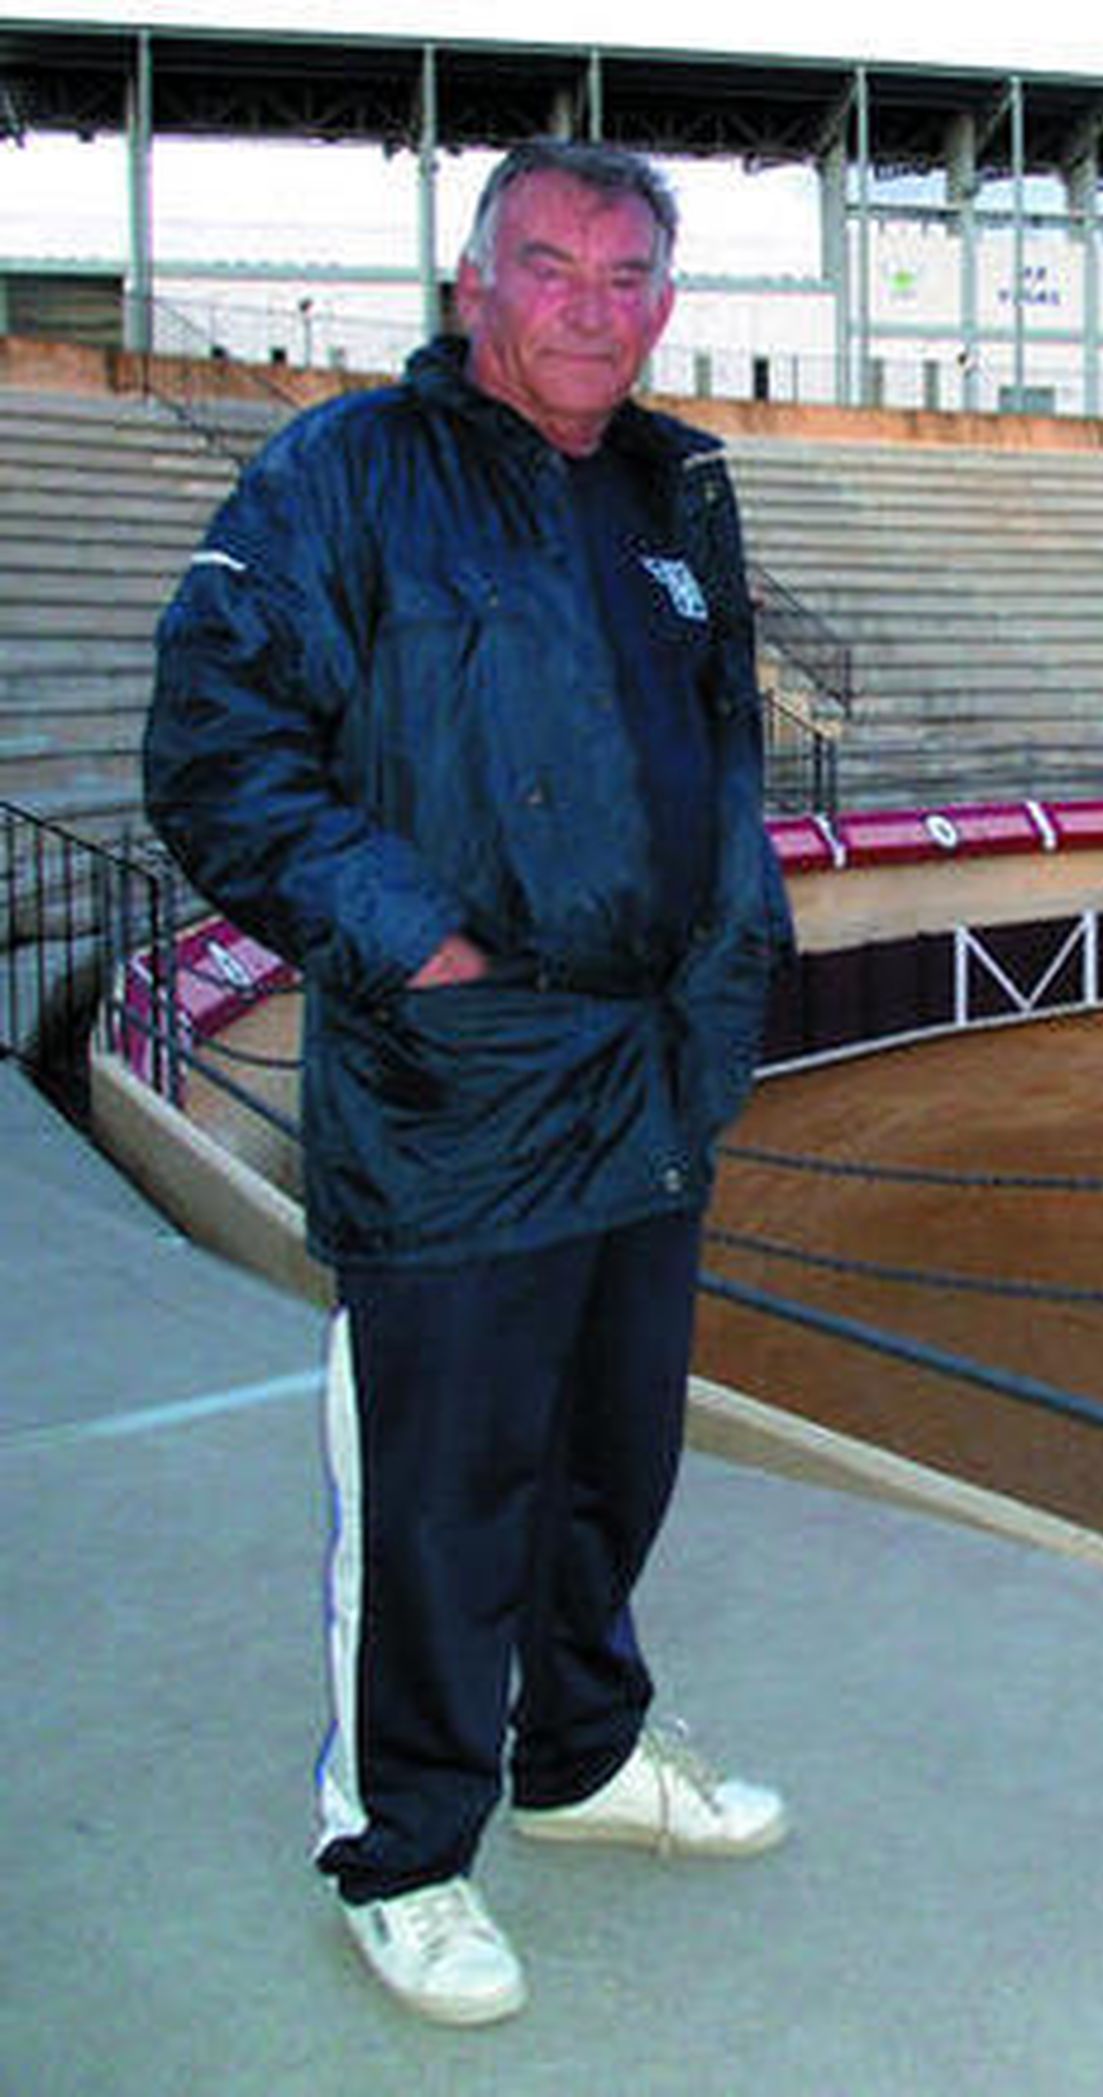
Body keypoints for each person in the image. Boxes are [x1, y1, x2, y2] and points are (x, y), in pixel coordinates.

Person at [144, 137, 794, 2028]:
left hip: (652, 1060)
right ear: (473, 289)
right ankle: (401, 1848)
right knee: (441, 1489)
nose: (590, 307)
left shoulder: (680, 491)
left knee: (613, 1461)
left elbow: (717, 754)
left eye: (625, 276)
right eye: (549, 268)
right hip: (463, 1075)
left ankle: (581, 1754)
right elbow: (216, 744)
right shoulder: (345, 474)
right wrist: (413, 936)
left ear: (664, 303)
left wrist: (728, 938)